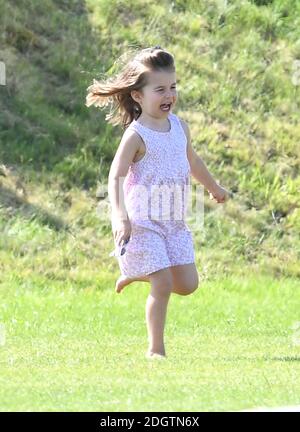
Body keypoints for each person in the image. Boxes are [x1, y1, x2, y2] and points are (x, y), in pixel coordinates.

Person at [86, 46, 230, 360]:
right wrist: (120, 216)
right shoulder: (136, 136)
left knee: (188, 283)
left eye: (173, 87)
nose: (170, 95)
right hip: (143, 222)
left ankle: (138, 272)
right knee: (163, 282)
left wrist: (214, 187)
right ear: (138, 95)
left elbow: (192, 160)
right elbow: (116, 176)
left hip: (174, 222)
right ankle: (156, 351)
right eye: (160, 89)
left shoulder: (179, 127)